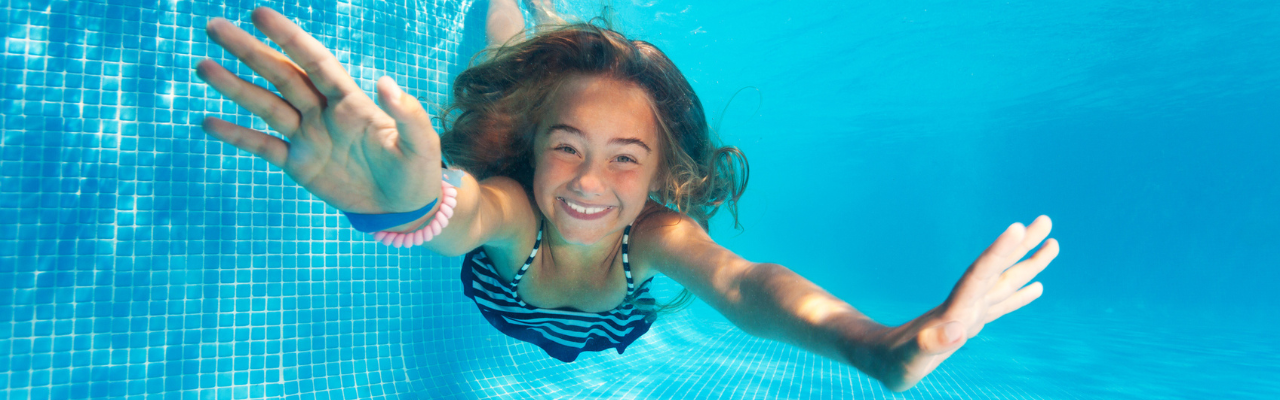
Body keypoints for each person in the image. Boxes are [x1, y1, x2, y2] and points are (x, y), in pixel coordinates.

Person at [194, 2, 1059, 392]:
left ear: (658, 180)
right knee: (503, 53)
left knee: (541, 49)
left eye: (623, 160)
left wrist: (874, 346)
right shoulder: (518, 208)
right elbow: (468, 213)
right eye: (565, 148)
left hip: (606, 329)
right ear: (532, 155)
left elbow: (744, 285)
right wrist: (412, 201)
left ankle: (550, 22)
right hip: (508, 300)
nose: (587, 183)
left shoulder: (655, 235)